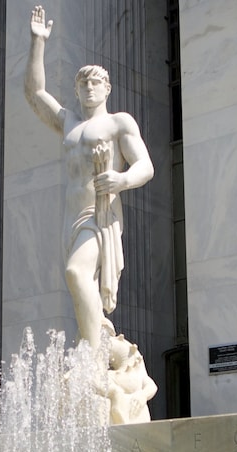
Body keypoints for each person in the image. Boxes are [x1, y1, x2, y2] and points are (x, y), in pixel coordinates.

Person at [25, 5, 155, 349]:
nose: (88, 88)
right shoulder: (68, 121)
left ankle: (93, 353)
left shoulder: (119, 123)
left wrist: (121, 179)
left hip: (99, 215)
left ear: (107, 88)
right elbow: (35, 94)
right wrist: (38, 43)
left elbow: (146, 166)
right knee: (80, 283)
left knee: (76, 273)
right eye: (82, 83)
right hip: (71, 218)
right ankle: (99, 338)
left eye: (95, 82)